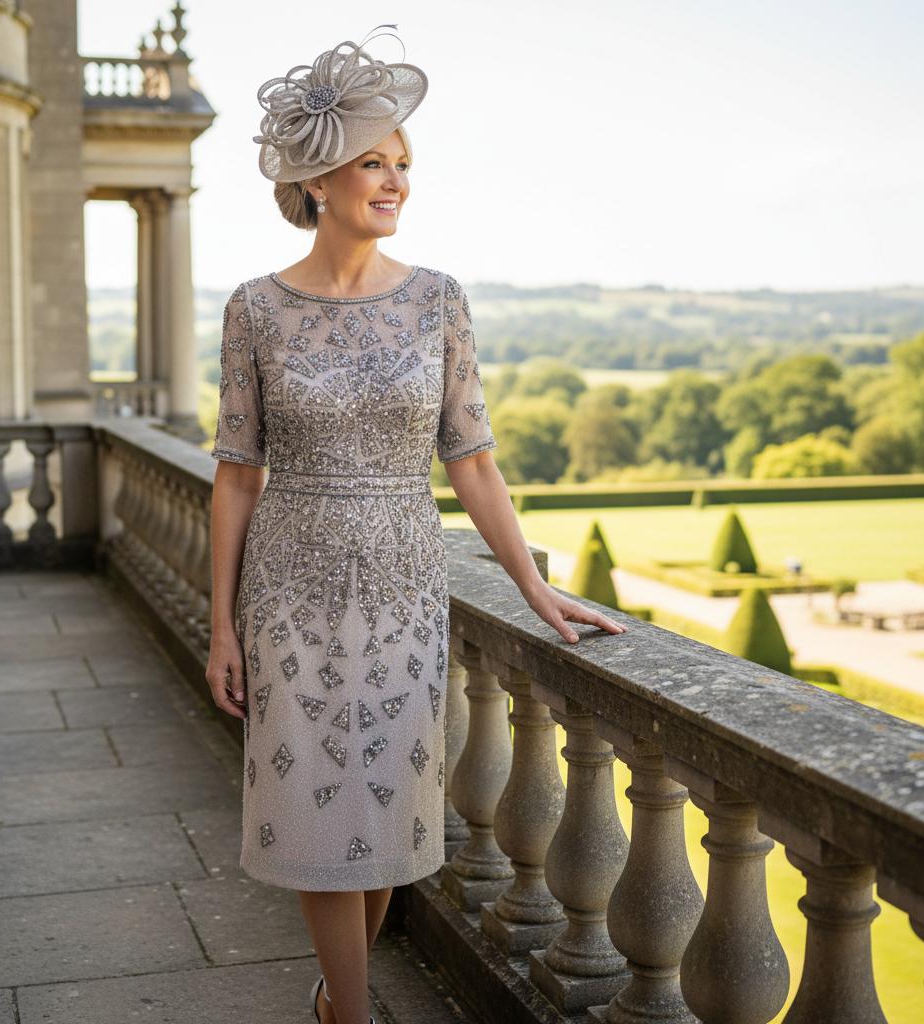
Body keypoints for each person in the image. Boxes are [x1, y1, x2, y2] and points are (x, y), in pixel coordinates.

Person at [205, 25, 628, 1024]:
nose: (394, 181)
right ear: (317, 179)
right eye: (372, 162)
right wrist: (223, 626)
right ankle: (350, 1013)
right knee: (315, 811)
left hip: (403, 587)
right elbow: (232, 476)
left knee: (385, 819)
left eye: (403, 164)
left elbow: (473, 460)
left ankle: (331, 1002)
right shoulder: (253, 310)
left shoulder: (438, 300)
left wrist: (533, 585)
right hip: (290, 592)